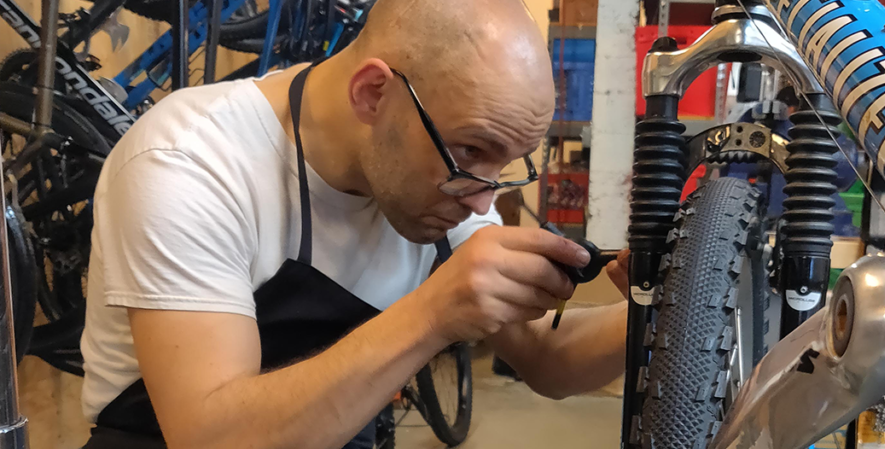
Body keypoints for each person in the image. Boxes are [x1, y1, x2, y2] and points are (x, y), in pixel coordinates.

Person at [79, 0, 629, 447]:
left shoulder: (431, 185)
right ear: (373, 94)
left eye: (503, 165)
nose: (482, 203)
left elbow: (546, 357)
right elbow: (211, 436)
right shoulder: (191, 163)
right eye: (470, 151)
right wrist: (433, 312)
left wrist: (669, 308)